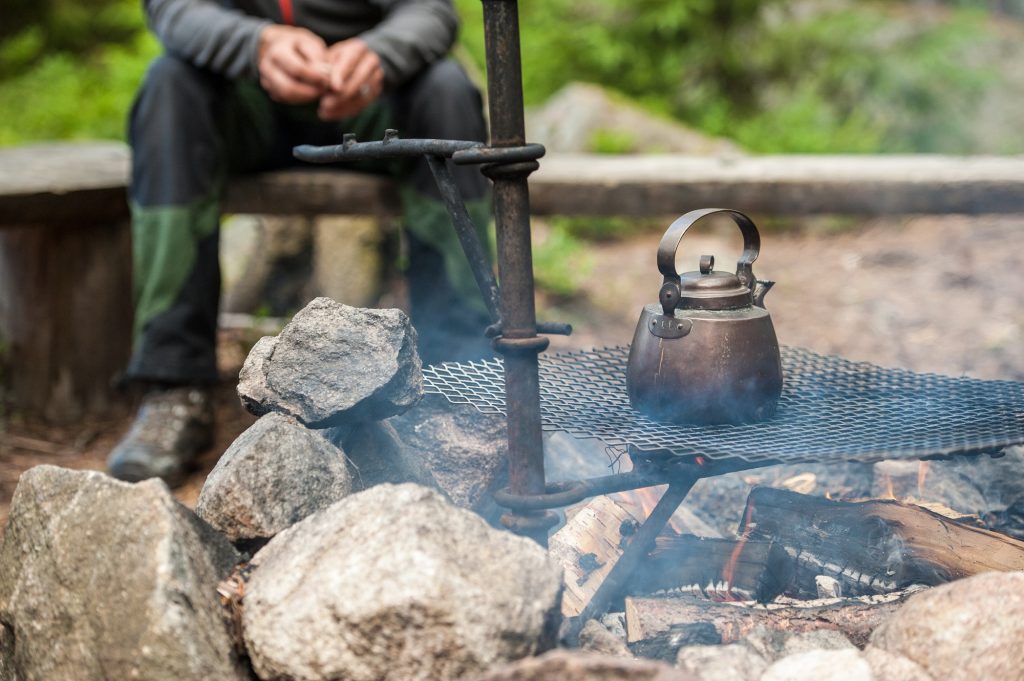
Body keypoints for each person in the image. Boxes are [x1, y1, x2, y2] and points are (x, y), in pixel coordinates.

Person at [107, 0, 493, 485]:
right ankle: (174, 386)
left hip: (375, 107)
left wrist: (379, 54)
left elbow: (432, 9)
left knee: (447, 88)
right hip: (243, 105)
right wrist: (256, 44)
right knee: (169, 84)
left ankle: (462, 376)